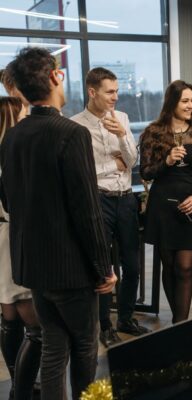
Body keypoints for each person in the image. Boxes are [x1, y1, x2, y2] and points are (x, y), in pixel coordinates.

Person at [0, 47, 117, 400]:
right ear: (54, 77)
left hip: (33, 269)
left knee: (53, 348)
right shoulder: (71, 133)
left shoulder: (13, 136)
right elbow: (88, 211)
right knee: (84, 348)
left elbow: (9, 201)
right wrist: (103, 269)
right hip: (72, 271)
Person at [71, 67, 150, 348]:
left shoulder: (123, 119)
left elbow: (132, 161)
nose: (116, 97)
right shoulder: (76, 126)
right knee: (104, 268)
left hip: (126, 199)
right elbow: (83, 173)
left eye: (117, 91)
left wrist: (122, 136)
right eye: (110, 92)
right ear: (92, 92)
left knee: (132, 265)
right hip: (98, 201)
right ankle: (104, 325)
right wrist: (111, 165)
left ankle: (125, 318)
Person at [139, 80, 192, 323]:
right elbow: (146, 172)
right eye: (185, 101)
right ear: (172, 102)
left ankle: (181, 323)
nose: (191, 105)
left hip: (191, 203)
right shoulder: (153, 132)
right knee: (168, 267)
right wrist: (167, 161)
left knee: (185, 267)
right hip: (163, 207)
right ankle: (177, 324)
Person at [0, 96, 41, 400]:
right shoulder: (11, 159)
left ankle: (19, 384)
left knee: (9, 318)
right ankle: (22, 390)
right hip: (13, 240)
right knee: (36, 328)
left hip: (3, 239)